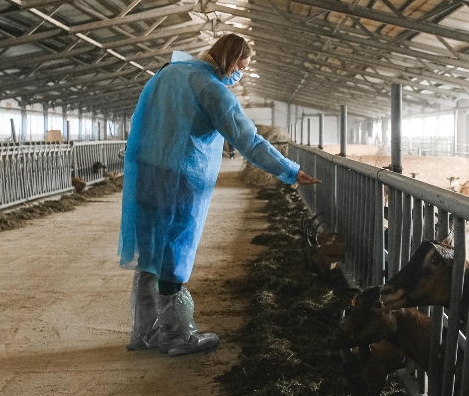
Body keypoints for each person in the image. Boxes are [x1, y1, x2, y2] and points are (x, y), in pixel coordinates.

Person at [118, 34, 319, 357]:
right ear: (232, 59)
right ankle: (177, 335)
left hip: (147, 173)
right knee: (173, 254)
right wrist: (290, 170)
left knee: (151, 252)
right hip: (180, 177)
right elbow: (248, 141)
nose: (240, 74)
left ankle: (145, 332)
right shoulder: (211, 88)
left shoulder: (167, 73)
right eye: (242, 66)